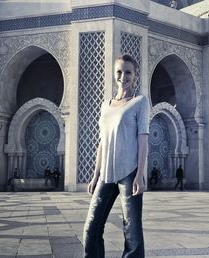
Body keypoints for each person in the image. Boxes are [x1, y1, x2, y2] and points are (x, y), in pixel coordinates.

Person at [83, 54, 149, 258]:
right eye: (119, 72)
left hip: (129, 173)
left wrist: (140, 174)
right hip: (106, 175)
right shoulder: (106, 105)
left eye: (128, 72)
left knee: (132, 234)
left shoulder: (140, 102)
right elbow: (102, 142)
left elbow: (143, 139)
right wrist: (95, 175)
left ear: (135, 75)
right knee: (91, 229)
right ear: (114, 74)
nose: (123, 76)